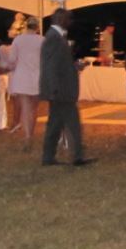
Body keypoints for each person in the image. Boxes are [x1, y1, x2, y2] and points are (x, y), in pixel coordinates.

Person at [40, 8, 93, 167]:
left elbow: (59, 64)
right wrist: (53, 88)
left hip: (60, 89)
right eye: (69, 19)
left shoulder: (56, 37)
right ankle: (77, 156)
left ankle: (48, 157)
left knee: (55, 125)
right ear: (61, 19)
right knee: (73, 124)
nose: (70, 22)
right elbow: (50, 66)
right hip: (61, 90)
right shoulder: (53, 37)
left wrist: (75, 66)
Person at [1, 16, 44, 150]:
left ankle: (27, 136)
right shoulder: (42, 40)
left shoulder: (18, 40)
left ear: (26, 26)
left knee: (25, 108)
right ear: (37, 27)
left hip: (22, 77)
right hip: (37, 77)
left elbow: (12, 59)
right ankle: (30, 134)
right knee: (34, 108)